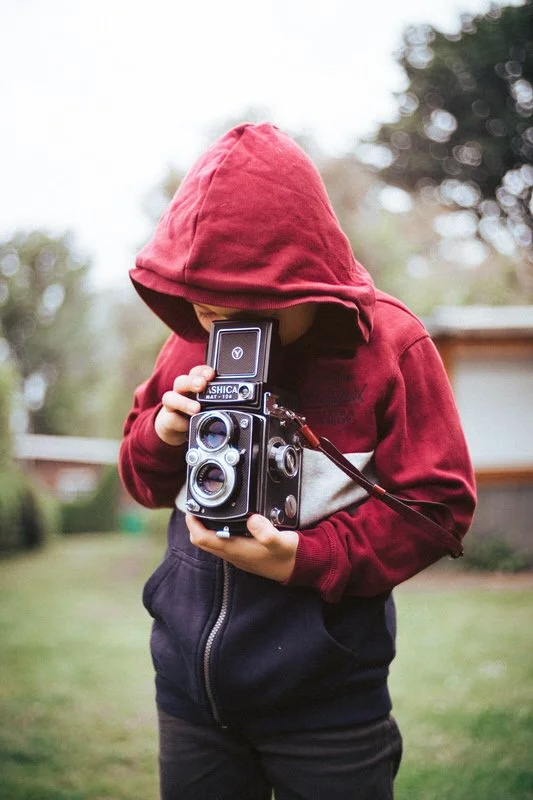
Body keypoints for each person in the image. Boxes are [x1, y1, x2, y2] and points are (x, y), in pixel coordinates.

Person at [119, 122, 476, 800]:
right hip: (192, 699)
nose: (228, 335)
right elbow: (140, 482)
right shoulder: (188, 340)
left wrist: (302, 560)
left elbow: (438, 510)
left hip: (327, 706)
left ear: (306, 286)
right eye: (206, 311)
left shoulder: (390, 346)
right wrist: (162, 433)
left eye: (252, 314)